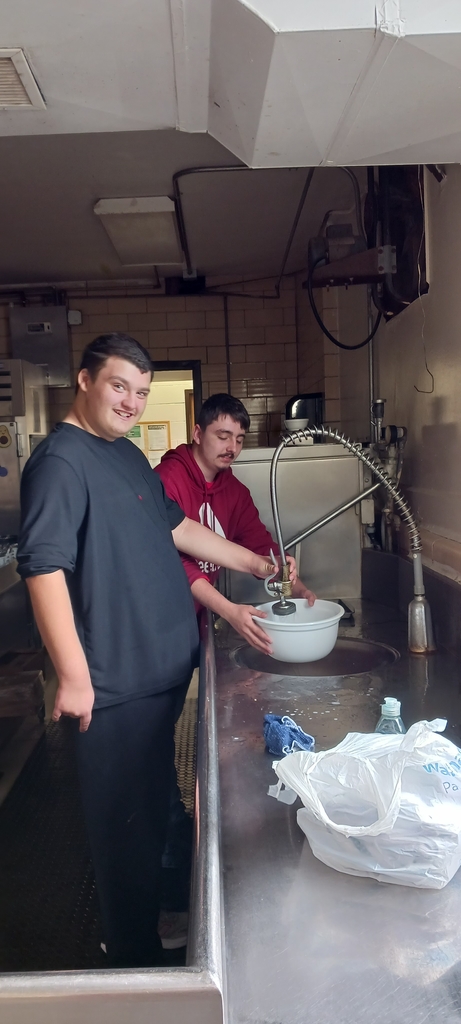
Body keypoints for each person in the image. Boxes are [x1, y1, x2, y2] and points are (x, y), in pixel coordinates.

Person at [16, 334, 279, 969]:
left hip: (158, 675)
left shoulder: (127, 455)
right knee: (123, 830)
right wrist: (73, 676)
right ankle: (130, 957)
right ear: (85, 381)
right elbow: (43, 568)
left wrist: (252, 562)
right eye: (119, 386)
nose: (131, 402)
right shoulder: (61, 461)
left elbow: (178, 527)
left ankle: (159, 920)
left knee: (153, 810)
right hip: (114, 683)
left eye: (140, 391)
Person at [155, 392, 316, 653]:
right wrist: (228, 610)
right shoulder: (166, 481)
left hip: (196, 614)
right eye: (223, 437)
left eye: (239, 439)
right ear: (198, 434)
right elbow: (173, 563)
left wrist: (298, 589)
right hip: (157, 617)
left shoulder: (235, 492)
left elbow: (260, 545)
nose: (232, 447)